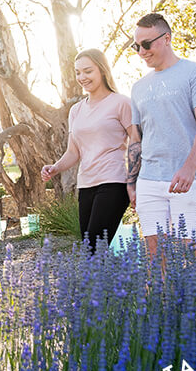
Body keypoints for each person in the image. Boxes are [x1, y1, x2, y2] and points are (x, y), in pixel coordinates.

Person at [125, 13, 196, 265]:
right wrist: (131, 182)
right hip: (149, 180)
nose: (141, 52)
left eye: (147, 44)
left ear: (167, 38)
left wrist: (189, 168)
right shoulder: (138, 88)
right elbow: (136, 138)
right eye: (136, 46)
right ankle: (161, 293)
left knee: (193, 254)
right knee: (155, 258)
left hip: (189, 180)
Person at [41, 48, 134, 254]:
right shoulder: (76, 110)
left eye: (88, 71)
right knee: (91, 250)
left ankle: (108, 277)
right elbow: (73, 152)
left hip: (114, 181)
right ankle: (110, 276)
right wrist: (55, 167)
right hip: (86, 184)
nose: (82, 77)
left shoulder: (121, 103)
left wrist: (134, 181)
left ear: (102, 70)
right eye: (78, 72)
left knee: (93, 248)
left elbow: (137, 142)